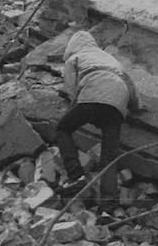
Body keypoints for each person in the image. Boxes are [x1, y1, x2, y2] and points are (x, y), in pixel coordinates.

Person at [55, 30, 140, 202]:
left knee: (62, 129)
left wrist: (77, 109)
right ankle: (108, 204)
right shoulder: (110, 59)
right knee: (109, 156)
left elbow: (71, 90)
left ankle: (76, 175)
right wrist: (134, 107)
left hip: (92, 96)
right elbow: (130, 87)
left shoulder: (75, 58)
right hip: (117, 105)